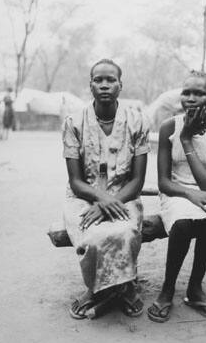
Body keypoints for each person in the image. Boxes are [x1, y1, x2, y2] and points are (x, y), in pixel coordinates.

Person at [62, 59, 150, 319]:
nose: (104, 85)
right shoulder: (74, 121)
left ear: (120, 85)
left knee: (126, 230)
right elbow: (76, 181)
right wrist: (101, 201)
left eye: (110, 80)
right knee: (91, 236)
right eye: (98, 80)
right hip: (83, 197)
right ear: (90, 85)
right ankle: (95, 289)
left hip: (125, 195)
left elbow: (137, 181)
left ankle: (124, 287)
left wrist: (112, 202)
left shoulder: (138, 121)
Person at [148, 70, 206, 322]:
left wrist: (187, 141)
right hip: (176, 193)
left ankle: (195, 288)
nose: (191, 98)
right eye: (187, 92)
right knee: (183, 223)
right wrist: (189, 194)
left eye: (199, 93)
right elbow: (164, 182)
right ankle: (168, 288)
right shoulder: (168, 127)